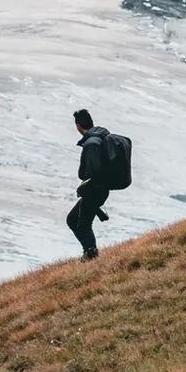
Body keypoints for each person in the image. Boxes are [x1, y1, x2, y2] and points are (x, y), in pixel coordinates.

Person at [67, 108, 111, 261]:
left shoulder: (91, 143)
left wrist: (87, 185)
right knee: (74, 220)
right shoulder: (101, 137)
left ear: (78, 126)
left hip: (95, 189)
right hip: (100, 188)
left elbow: (94, 170)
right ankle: (90, 252)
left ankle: (91, 255)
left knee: (81, 223)